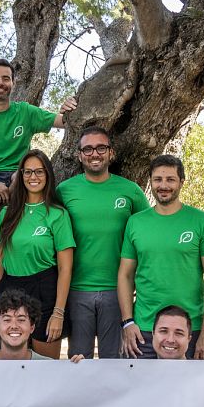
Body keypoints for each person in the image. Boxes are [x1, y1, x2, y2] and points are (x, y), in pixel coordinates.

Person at [118, 155, 204, 360]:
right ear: (151, 181)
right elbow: (125, 275)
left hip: (188, 330)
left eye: (170, 179)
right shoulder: (135, 223)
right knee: (139, 382)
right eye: (158, 179)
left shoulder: (202, 222)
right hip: (143, 329)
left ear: (181, 182)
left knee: (189, 383)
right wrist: (128, 322)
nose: (163, 185)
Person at [57, 126, 150, 359]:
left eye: (101, 148)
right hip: (77, 291)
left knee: (115, 363)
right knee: (79, 362)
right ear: (79, 155)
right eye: (88, 149)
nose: (94, 154)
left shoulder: (131, 191)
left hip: (118, 291)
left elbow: (147, 236)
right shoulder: (64, 191)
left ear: (111, 153)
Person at [0, 58, 78, 229]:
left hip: (18, 179)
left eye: (6, 78)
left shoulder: (25, 111)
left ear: (13, 83)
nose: (0, 83)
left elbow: (64, 122)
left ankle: (1, 213)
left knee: (24, 172)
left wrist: (69, 107)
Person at [0, 150, 75, 359]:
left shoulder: (58, 214)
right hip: (9, 289)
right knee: (10, 361)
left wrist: (58, 312)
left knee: (45, 366)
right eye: (27, 172)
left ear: (47, 175)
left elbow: (65, 268)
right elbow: (1, 256)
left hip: (44, 288)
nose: (33, 177)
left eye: (39, 171)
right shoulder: (8, 213)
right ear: (21, 175)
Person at [0, 289, 82, 363]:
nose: (14, 325)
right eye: (7, 320)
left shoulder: (47, 366)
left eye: (21, 320)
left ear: (32, 327)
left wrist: (78, 369)